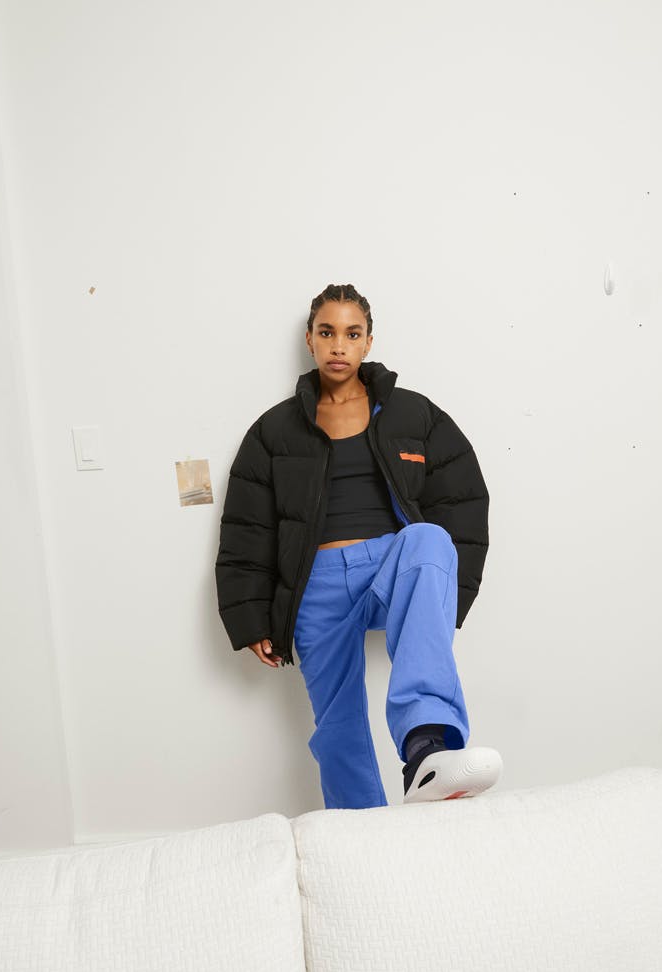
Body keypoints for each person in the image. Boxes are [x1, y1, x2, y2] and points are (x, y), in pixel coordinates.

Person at [215, 283, 502, 810]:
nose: (339, 345)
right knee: (337, 727)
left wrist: (444, 598)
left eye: (352, 334)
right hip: (314, 586)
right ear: (309, 340)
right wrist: (251, 618)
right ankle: (362, 836)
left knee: (429, 538)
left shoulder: (413, 414)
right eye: (327, 332)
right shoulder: (274, 430)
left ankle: (427, 751)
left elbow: (462, 501)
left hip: (388, 566)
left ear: (369, 342)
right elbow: (247, 526)